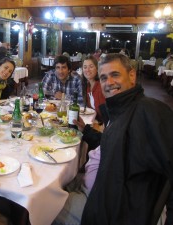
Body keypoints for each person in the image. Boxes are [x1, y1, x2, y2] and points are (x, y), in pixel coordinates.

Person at [54, 53, 173, 225]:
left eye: (115, 75)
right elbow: (113, 143)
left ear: (132, 75)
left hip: (113, 211)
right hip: (99, 190)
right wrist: (86, 130)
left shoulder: (150, 112)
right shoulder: (121, 111)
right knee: (59, 183)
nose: (109, 83)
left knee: (45, 208)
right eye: (103, 78)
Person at [81, 55, 106, 123]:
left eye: (91, 66)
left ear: (97, 69)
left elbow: (107, 114)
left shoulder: (101, 87)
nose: (87, 70)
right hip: (94, 122)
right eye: (85, 67)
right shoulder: (87, 86)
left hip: (104, 125)